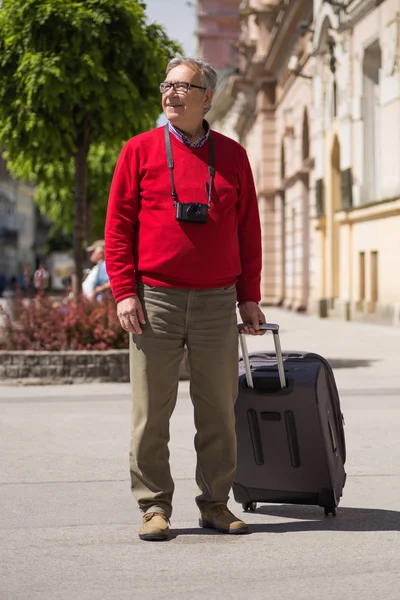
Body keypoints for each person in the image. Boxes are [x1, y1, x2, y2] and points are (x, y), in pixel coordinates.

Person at [105, 56, 265, 542]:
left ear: (206, 97)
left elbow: (248, 231)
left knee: (218, 408)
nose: (171, 94)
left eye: (183, 87)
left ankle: (215, 503)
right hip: (156, 299)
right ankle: (153, 506)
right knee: (152, 410)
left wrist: (249, 297)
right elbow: (118, 229)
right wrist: (125, 292)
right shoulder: (139, 150)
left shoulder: (233, 156)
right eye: (167, 86)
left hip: (218, 301)